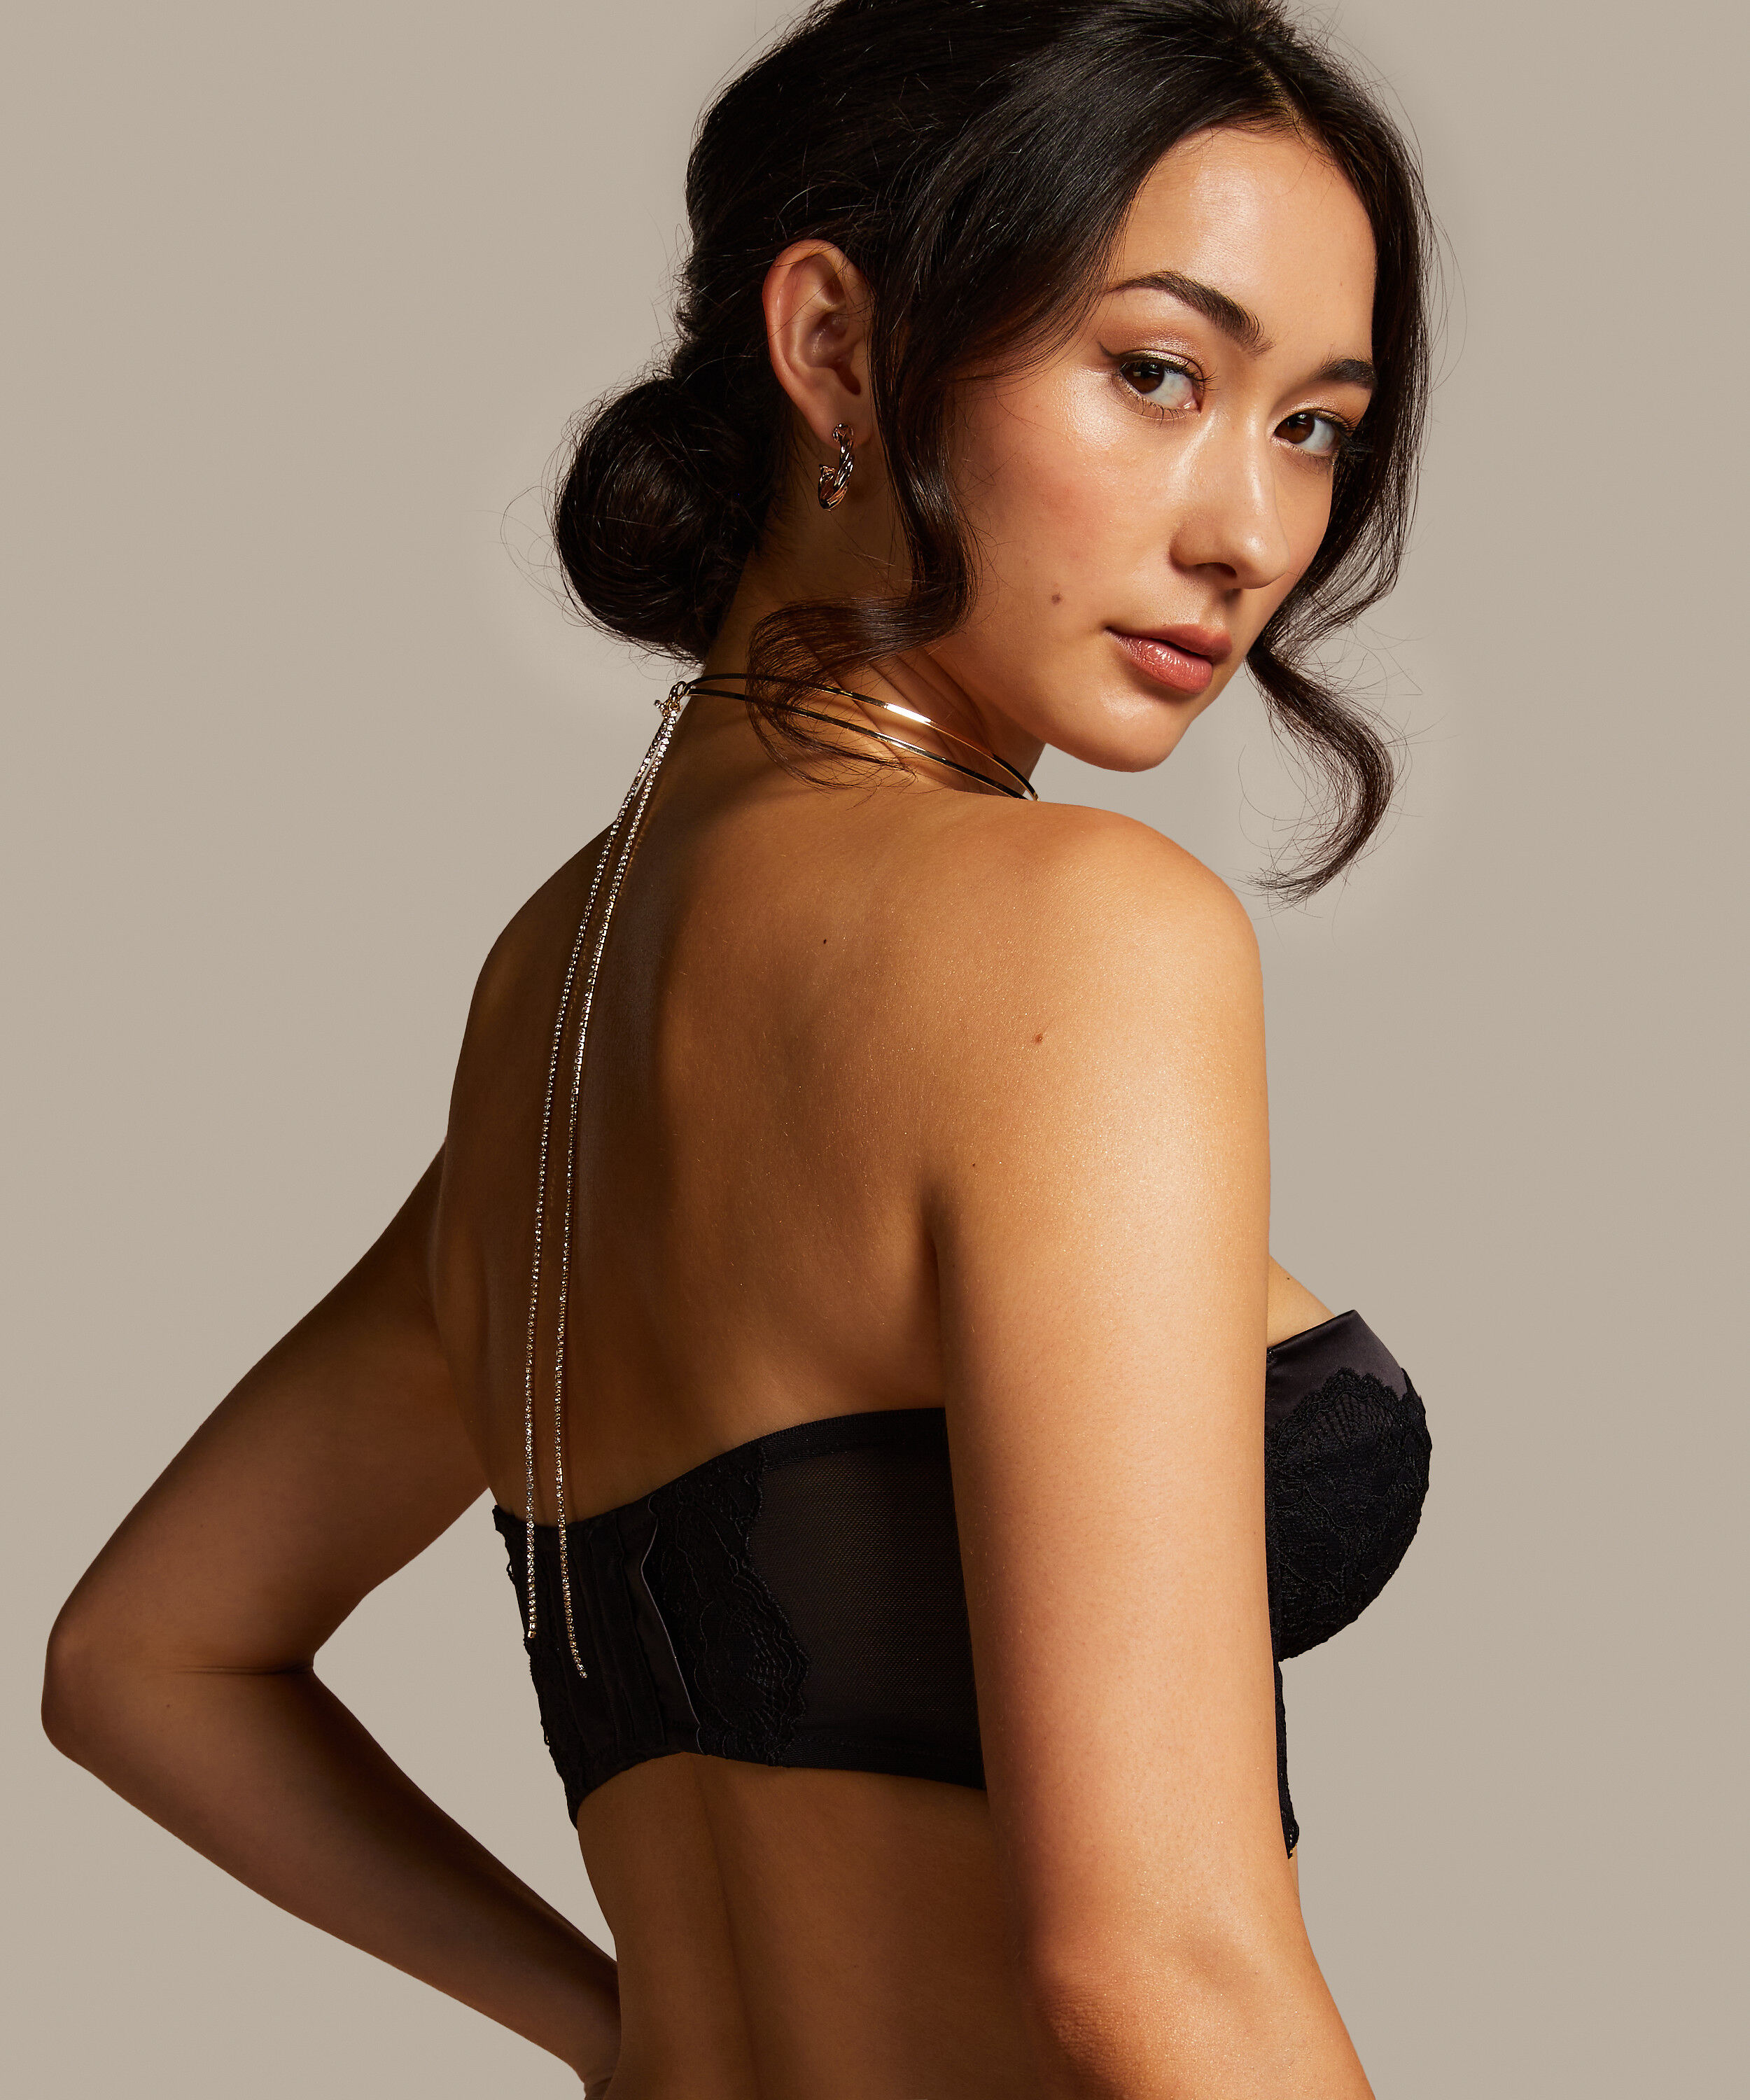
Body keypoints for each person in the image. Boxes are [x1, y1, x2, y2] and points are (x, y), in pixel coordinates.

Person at [41, 2, 1437, 2093]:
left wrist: (618, 2035)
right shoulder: (1082, 930)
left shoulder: (558, 993)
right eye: (1157, 373)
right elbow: (1157, 1968)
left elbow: (145, 1658)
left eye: (1312, 425)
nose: (1249, 528)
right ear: (835, 347)